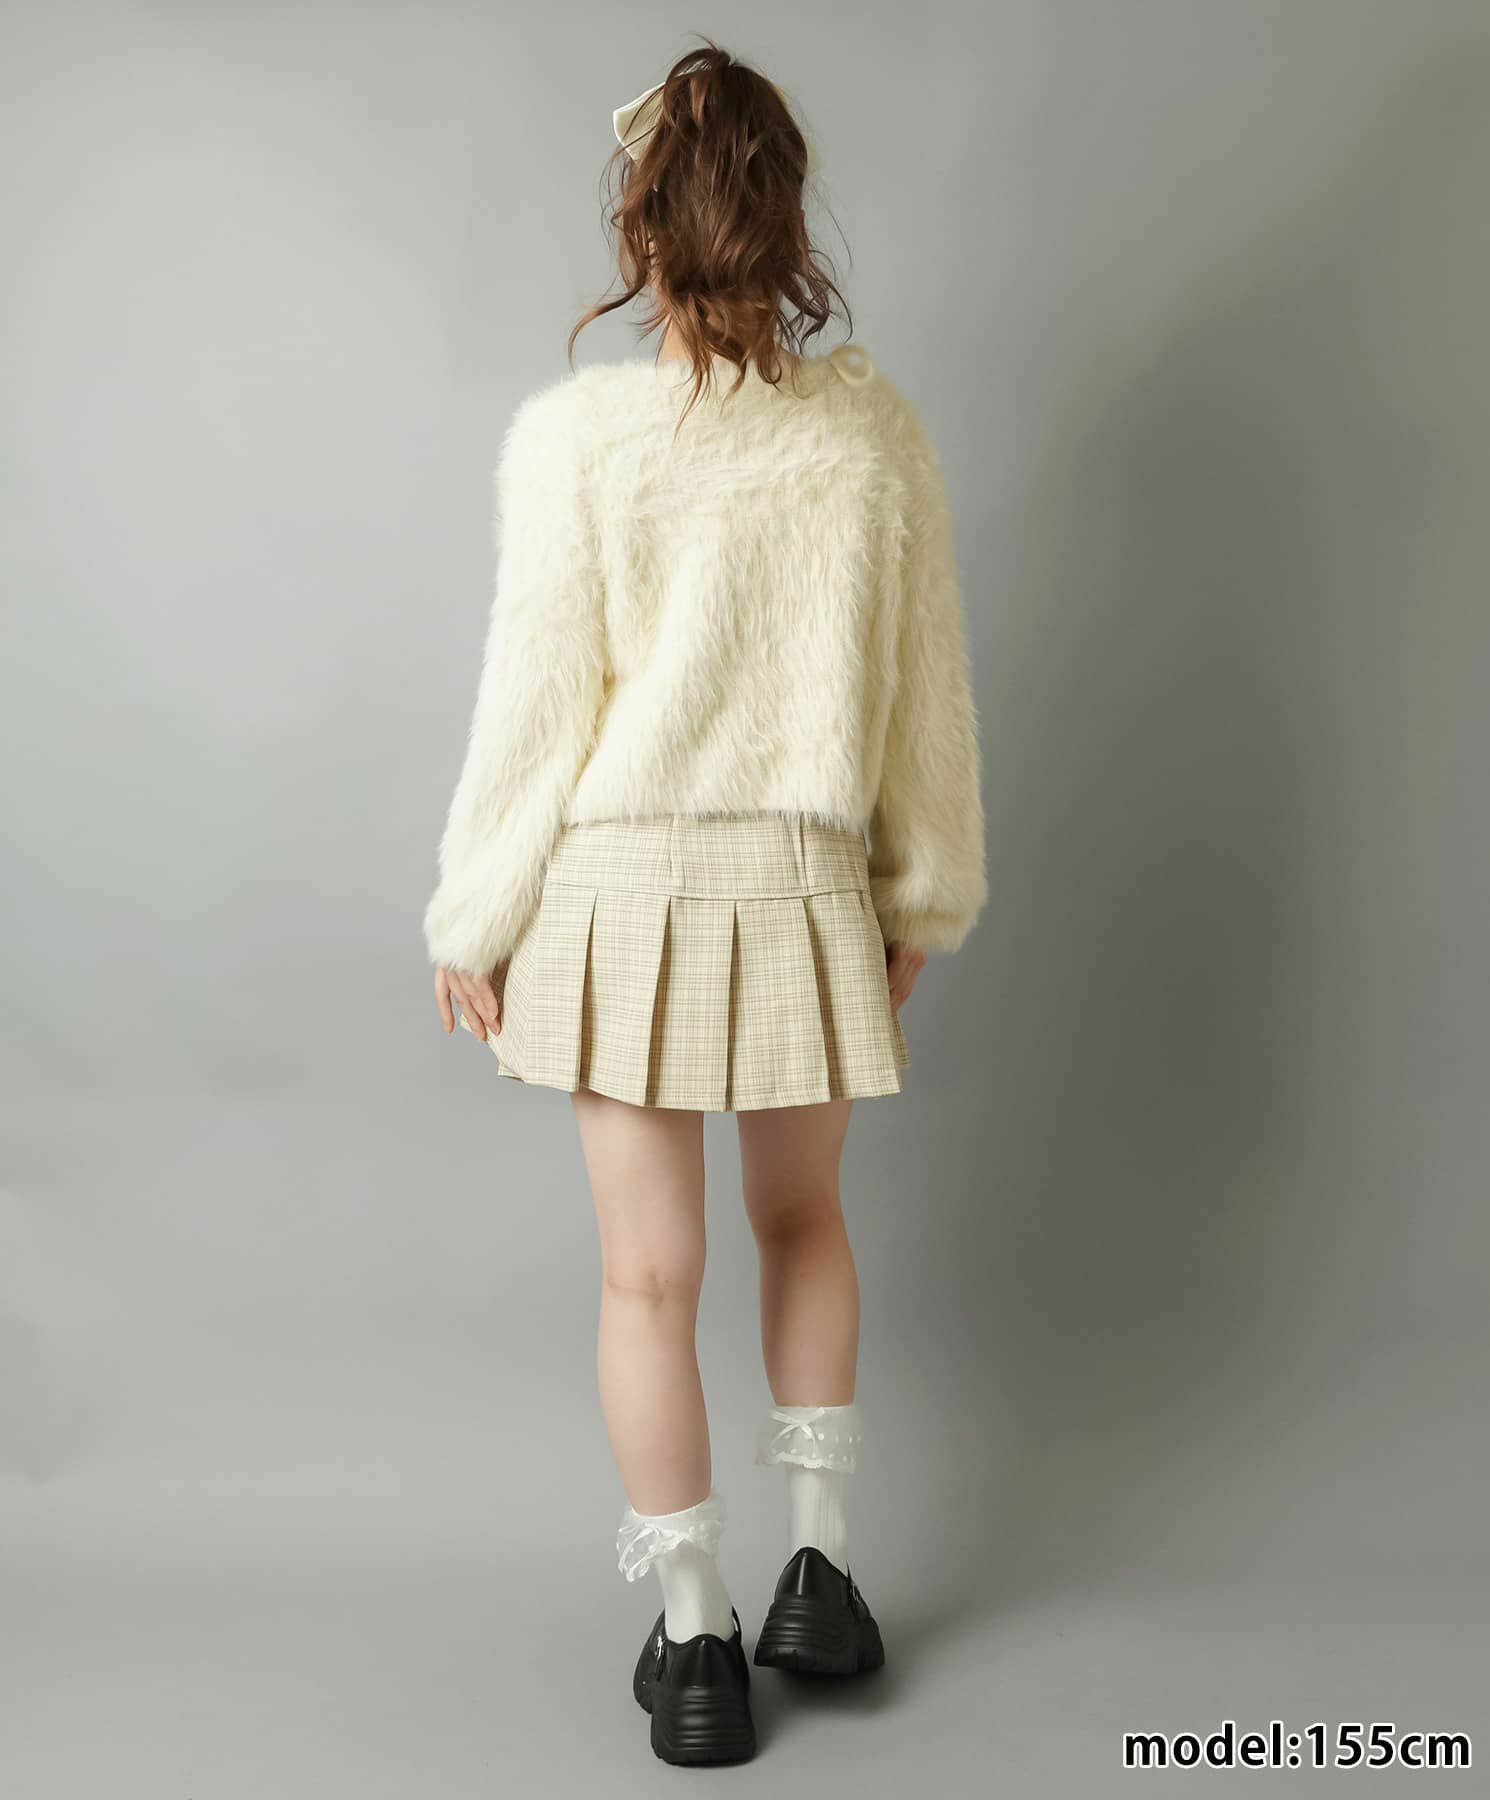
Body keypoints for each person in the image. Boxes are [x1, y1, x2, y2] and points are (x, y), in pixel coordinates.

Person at [422, 41, 986, 1769]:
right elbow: (924, 696)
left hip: (619, 890)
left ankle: (694, 1646)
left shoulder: (577, 442)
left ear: (641, 226)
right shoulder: (873, 437)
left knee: (646, 1280)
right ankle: (822, 1577)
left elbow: (535, 706)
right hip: (800, 880)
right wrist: (920, 888)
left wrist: (472, 911)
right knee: (804, 1222)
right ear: (789, 222)